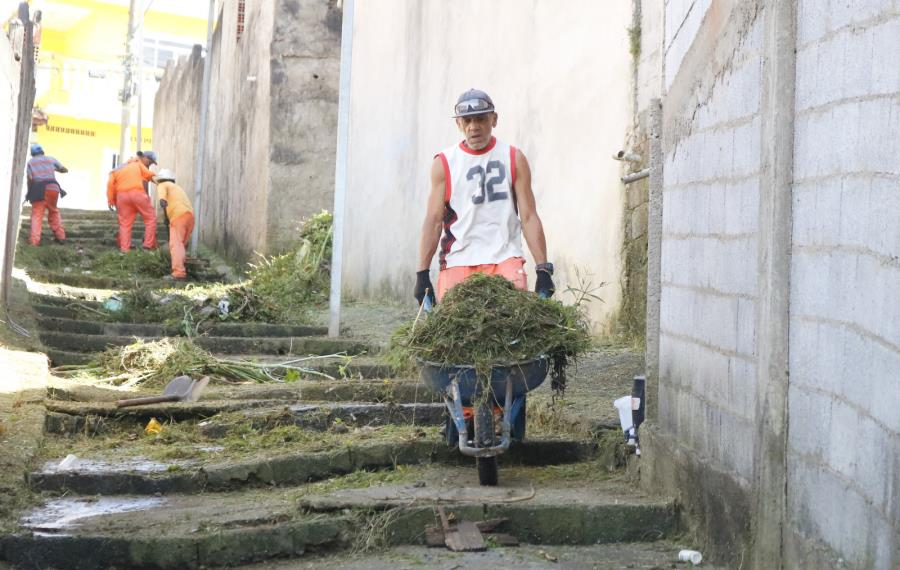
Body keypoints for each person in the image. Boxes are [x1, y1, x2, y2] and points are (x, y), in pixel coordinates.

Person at [415, 89, 555, 306]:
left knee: (512, 322)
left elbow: (528, 216)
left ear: (494, 119)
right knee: (456, 325)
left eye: (480, 118)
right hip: (458, 260)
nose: (474, 126)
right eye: (467, 120)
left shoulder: (514, 158)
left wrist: (543, 268)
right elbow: (433, 220)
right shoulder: (444, 163)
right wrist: (422, 274)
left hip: (505, 259)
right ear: (459, 124)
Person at [107, 150, 159, 252]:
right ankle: (147, 246)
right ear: (144, 158)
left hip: (122, 197)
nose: (149, 165)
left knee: (125, 224)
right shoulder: (137, 164)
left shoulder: (116, 169)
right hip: (137, 193)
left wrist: (110, 200)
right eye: (150, 162)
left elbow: (110, 185)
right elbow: (150, 175)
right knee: (150, 218)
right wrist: (163, 182)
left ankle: (124, 250)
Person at [154, 169, 194, 281]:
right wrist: (167, 218)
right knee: (181, 245)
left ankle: (179, 273)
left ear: (160, 180)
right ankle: (182, 266)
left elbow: (162, 196)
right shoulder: (177, 188)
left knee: (175, 245)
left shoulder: (162, 184)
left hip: (178, 216)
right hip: (189, 216)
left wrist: (162, 200)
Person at [25, 143, 68, 246]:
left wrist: (29, 192)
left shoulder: (31, 162)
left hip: (38, 189)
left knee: (37, 214)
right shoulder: (51, 159)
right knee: (53, 211)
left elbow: (30, 179)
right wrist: (55, 169)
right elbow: (64, 170)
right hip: (53, 188)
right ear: (42, 152)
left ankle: (34, 241)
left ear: (32, 154)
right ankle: (61, 236)